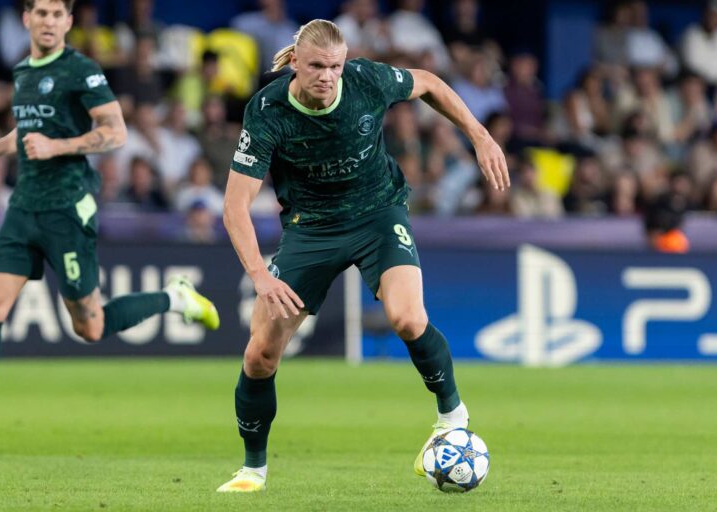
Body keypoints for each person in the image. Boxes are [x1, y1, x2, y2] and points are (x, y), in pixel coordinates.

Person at [218, 19, 509, 493]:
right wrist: (260, 275)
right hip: (311, 228)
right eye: (317, 66)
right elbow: (235, 207)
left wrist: (480, 136)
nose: (327, 76)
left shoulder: (366, 80)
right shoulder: (268, 111)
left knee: (408, 318)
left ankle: (452, 417)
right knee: (260, 355)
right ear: (295, 62)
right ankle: (253, 470)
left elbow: (429, 83)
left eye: (335, 66)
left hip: (377, 213)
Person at [0, 0, 220, 455]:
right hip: (23, 207)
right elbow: (28, 132)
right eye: (41, 13)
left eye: (57, 14)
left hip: (67, 210)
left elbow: (115, 131)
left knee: (90, 326)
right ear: (27, 19)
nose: (49, 22)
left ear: (69, 22)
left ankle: (174, 297)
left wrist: (58, 146)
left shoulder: (80, 70)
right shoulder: (23, 71)